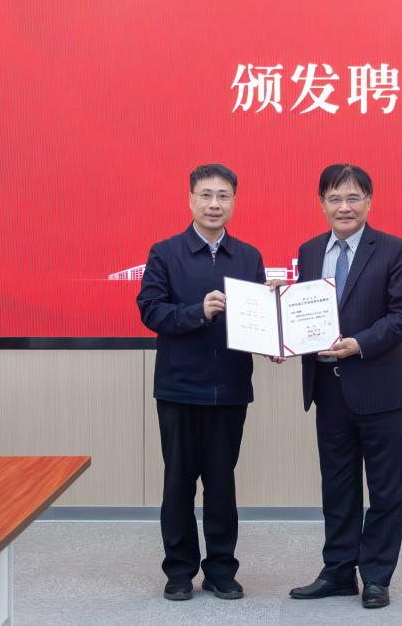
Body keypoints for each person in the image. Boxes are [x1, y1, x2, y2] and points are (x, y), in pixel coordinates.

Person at [286, 163, 402, 609]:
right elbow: (303, 313)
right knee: (337, 486)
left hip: (379, 387)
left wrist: (359, 344)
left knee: (385, 489)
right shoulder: (309, 251)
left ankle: (376, 576)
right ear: (322, 203)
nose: (344, 206)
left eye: (353, 198)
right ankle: (339, 571)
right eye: (334, 198)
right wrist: (282, 338)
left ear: (369, 202)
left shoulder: (394, 249)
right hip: (327, 388)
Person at [136, 163, 265, 602]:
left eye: (223, 196)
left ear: (234, 202)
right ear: (191, 199)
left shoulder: (248, 257)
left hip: (230, 388)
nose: (214, 204)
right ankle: (179, 571)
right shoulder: (165, 253)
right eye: (206, 195)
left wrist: (273, 339)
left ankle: (221, 570)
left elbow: (256, 320)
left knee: (222, 485)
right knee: (178, 485)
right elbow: (151, 310)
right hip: (179, 388)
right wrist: (198, 311)